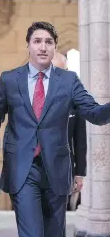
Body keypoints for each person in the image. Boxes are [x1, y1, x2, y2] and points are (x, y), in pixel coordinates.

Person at [0, 21, 110, 237]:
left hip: (56, 170)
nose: (43, 47)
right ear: (28, 46)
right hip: (22, 170)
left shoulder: (68, 80)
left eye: (49, 42)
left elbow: (94, 114)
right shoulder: (9, 79)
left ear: (55, 47)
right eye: (37, 41)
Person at [52, 52, 87, 237]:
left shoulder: (75, 98)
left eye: (64, 71)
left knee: (58, 220)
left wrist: (79, 173)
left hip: (63, 169)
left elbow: (80, 139)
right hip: (34, 168)